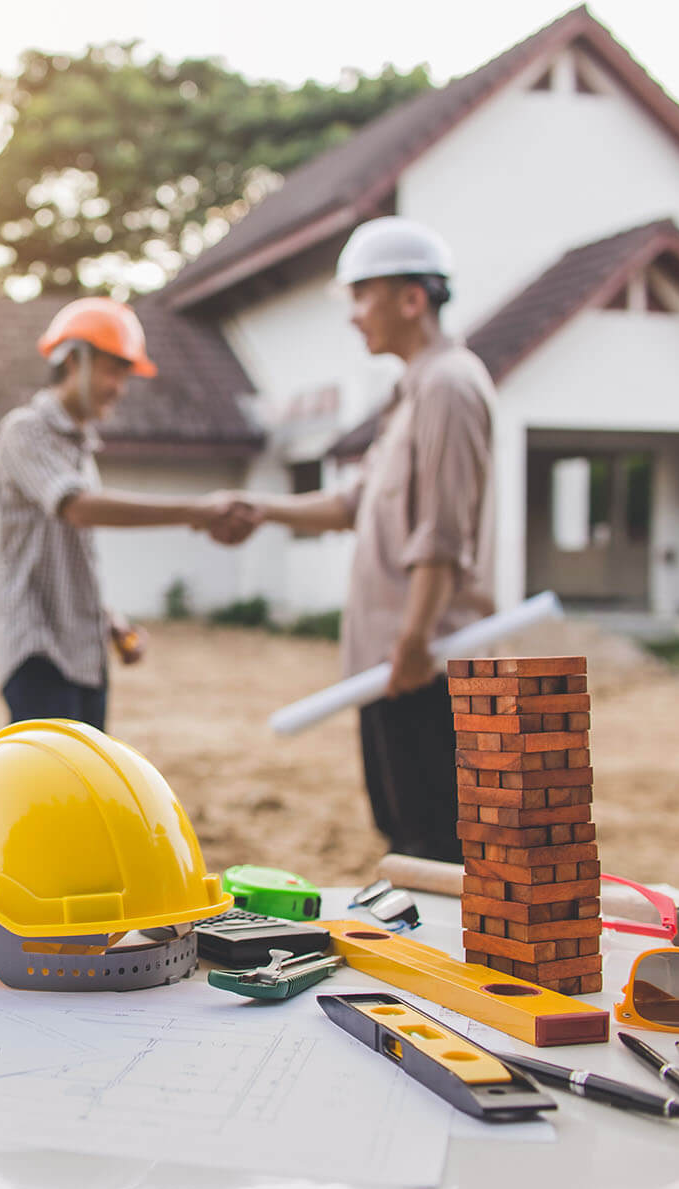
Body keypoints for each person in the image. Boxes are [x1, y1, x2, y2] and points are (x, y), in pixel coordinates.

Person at [245, 217, 495, 862]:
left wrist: (413, 639)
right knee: (403, 835)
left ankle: (449, 968)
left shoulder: (449, 385)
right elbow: (350, 505)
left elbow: (443, 532)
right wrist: (257, 508)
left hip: (424, 669)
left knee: (434, 845)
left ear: (412, 299)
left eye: (363, 296)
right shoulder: (410, 394)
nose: (354, 316)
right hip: (393, 667)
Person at [0, 297, 256, 732]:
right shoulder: (24, 431)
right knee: (57, 796)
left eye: (125, 373)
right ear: (74, 360)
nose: (121, 387)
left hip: (85, 653)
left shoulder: (82, 449)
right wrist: (198, 510)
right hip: (39, 652)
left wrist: (109, 620)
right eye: (114, 369)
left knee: (91, 794)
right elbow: (79, 508)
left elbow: (69, 554)